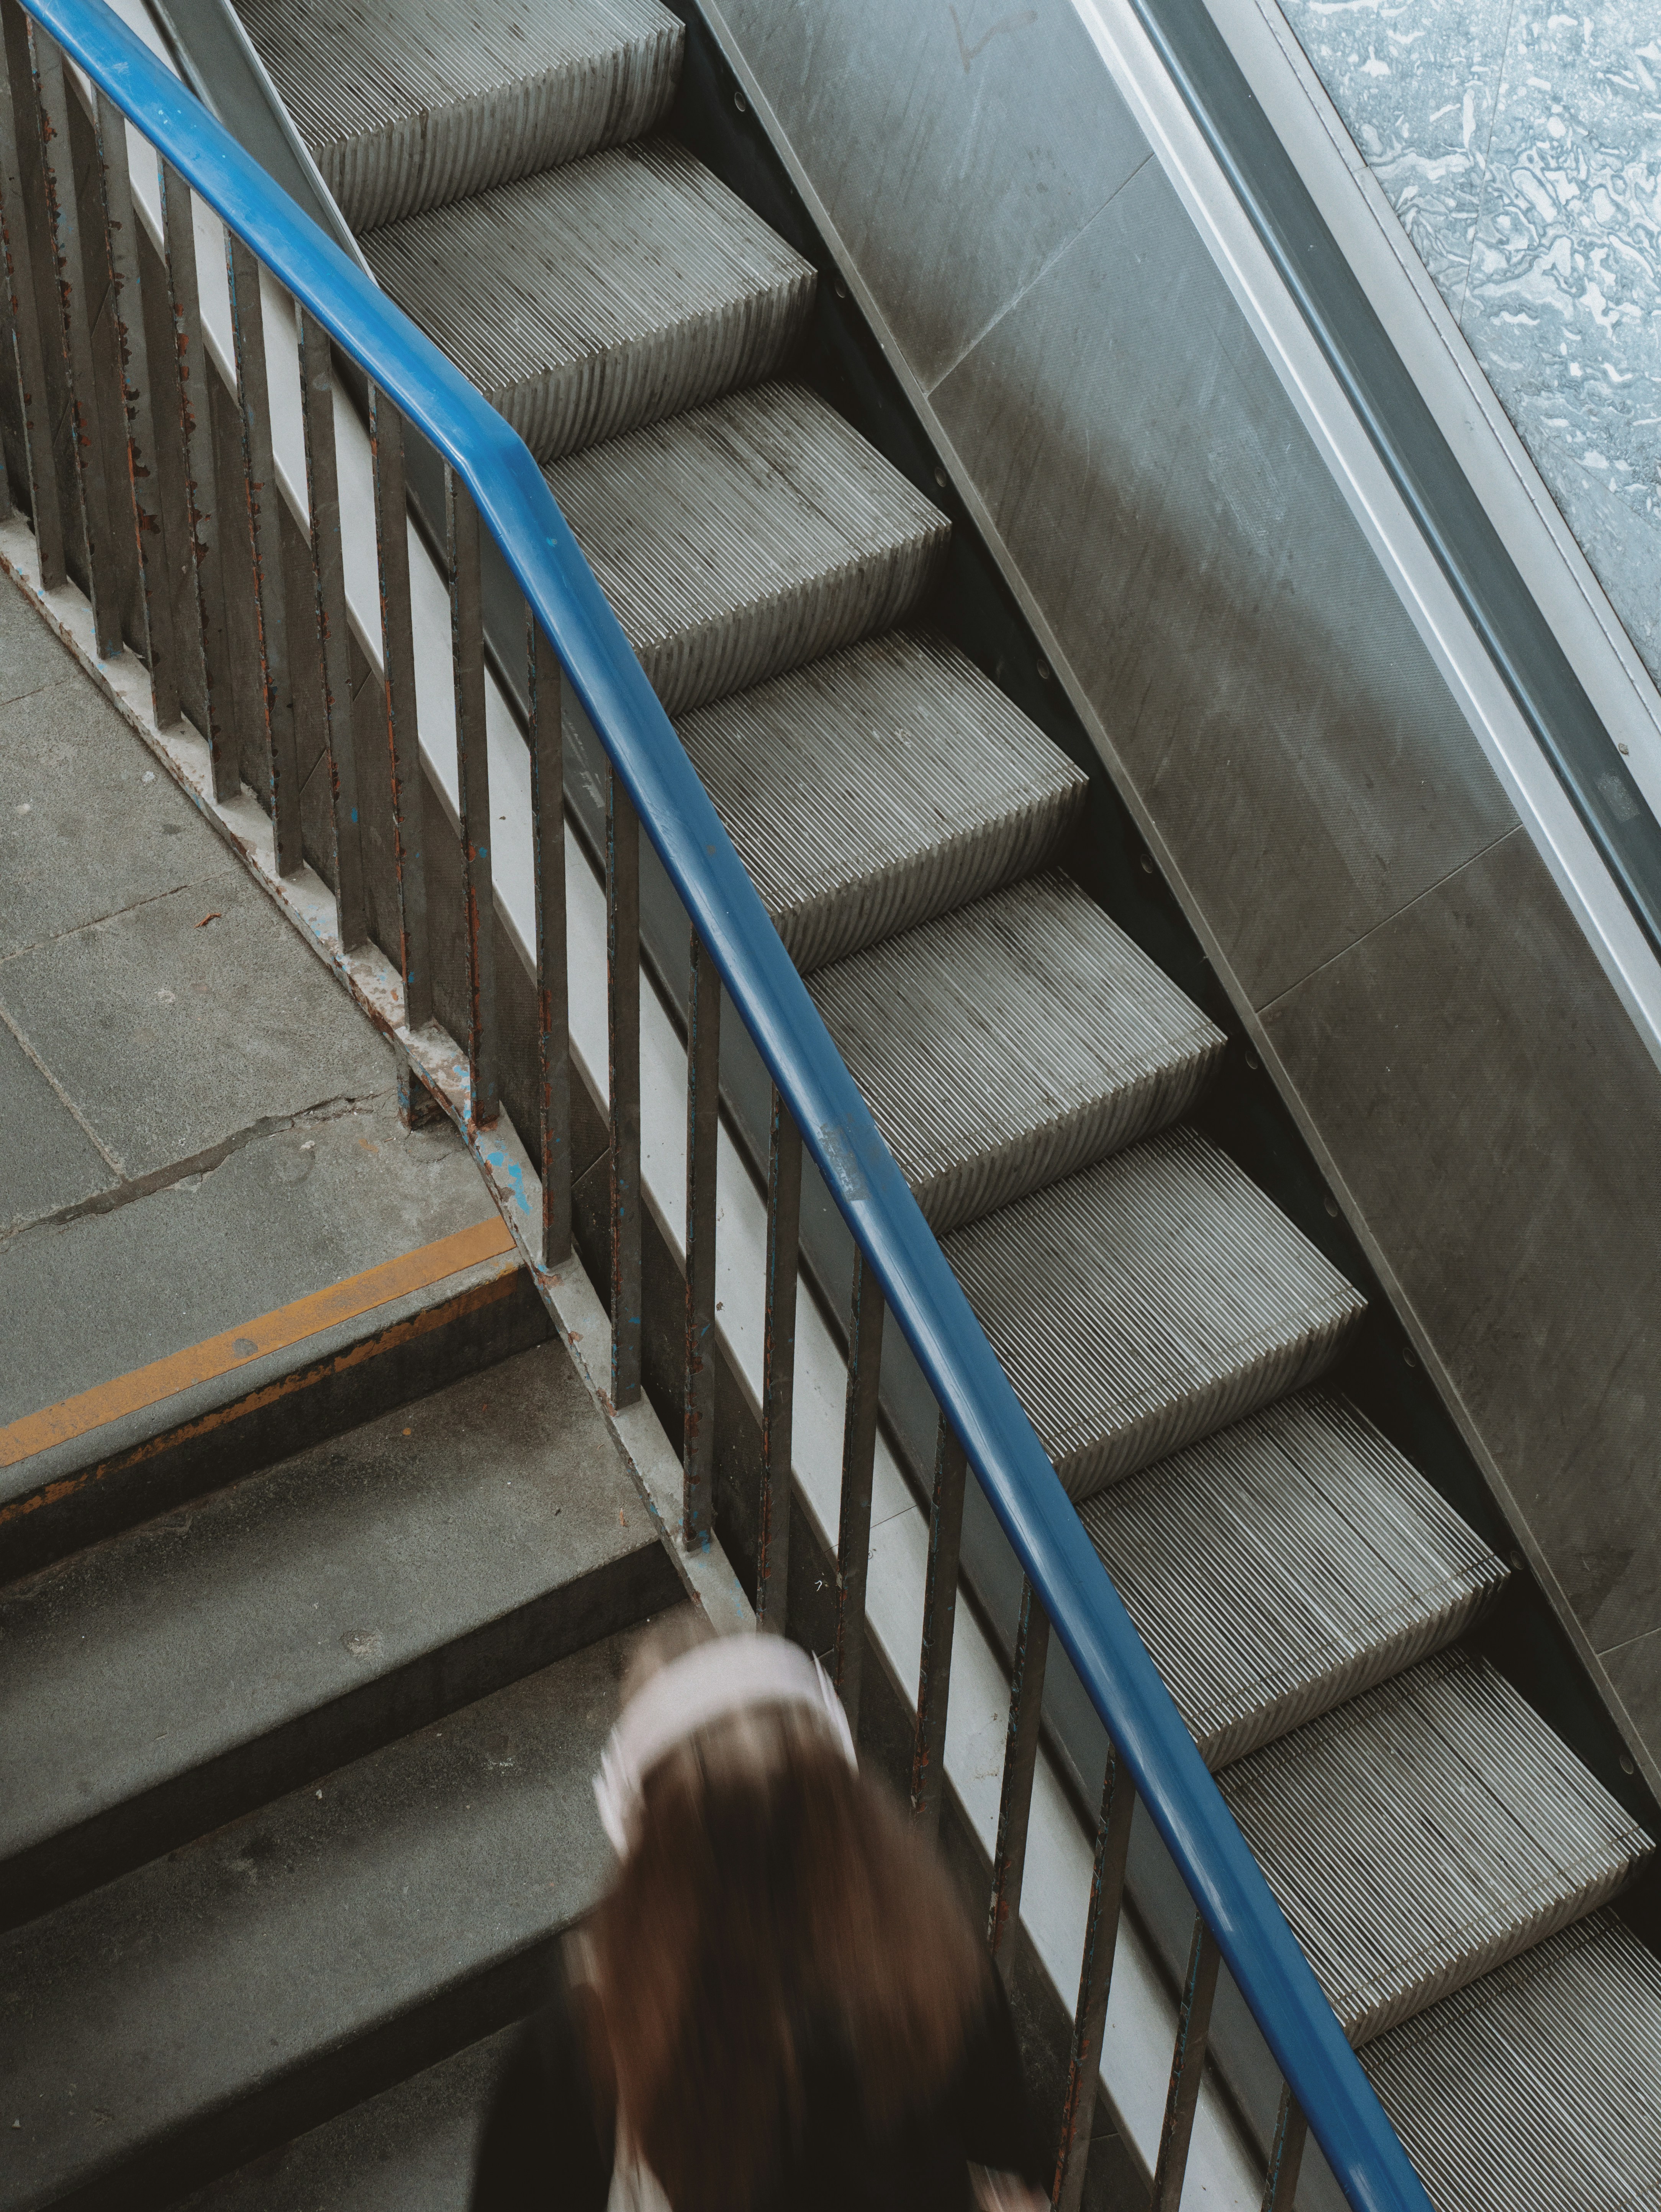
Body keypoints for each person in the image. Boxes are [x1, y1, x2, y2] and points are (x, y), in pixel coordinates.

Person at [472, 1614, 1048, 2212]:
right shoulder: (936, 1961)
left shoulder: (588, 2046)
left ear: (641, 1834)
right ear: (847, 1804)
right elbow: (1015, 2168)